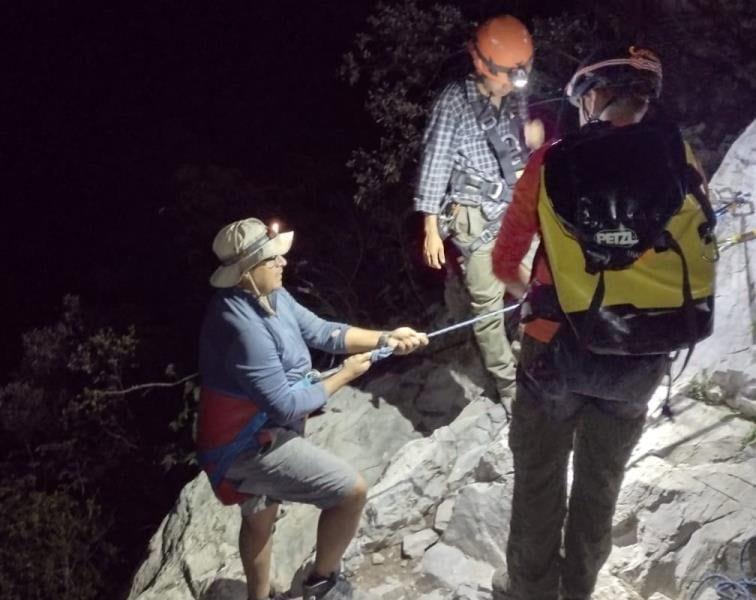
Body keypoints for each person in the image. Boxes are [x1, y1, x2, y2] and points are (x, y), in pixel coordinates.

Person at [491, 45, 715, 599]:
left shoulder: (552, 162)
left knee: (540, 483)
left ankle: (531, 590)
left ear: (592, 96)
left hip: (555, 350)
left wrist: (536, 293)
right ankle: (579, 588)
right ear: (642, 100)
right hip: (640, 355)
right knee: (600, 486)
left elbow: (503, 262)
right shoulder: (679, 157)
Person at [197, 218, 429, 600]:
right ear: (247, 271)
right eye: (272, 259)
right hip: (244, 444)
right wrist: (345, 375)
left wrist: (386, 337)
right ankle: (321, 583)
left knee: (260, 517)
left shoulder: (269, 295)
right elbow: (285, 405)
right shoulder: (240, 327)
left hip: (256, 428)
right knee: (350, 492)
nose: (283, 263)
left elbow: (325, 332)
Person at [414, 14, 544, 406]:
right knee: (487, 305)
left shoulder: (515, 94)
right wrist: (431, 227)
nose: (516, 82)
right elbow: (434, 162)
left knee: (542, 282)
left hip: (515, 205)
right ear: (482, 64)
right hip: (476, 216)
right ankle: (508, 387)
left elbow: (515, 148)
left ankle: (538, 354)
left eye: (523, 72)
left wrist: (531, 141)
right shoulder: (454, 103)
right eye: (509, 73)